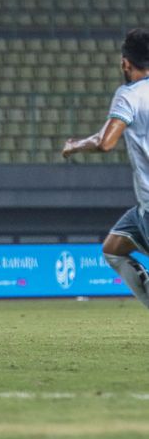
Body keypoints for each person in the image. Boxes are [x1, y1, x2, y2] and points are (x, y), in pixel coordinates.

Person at [63, 28, 149, 310]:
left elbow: (105, 142)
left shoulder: (129, 95)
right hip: (140, 212)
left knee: (113, 252)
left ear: (125, 63)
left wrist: (74, 146)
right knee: (113, 248)